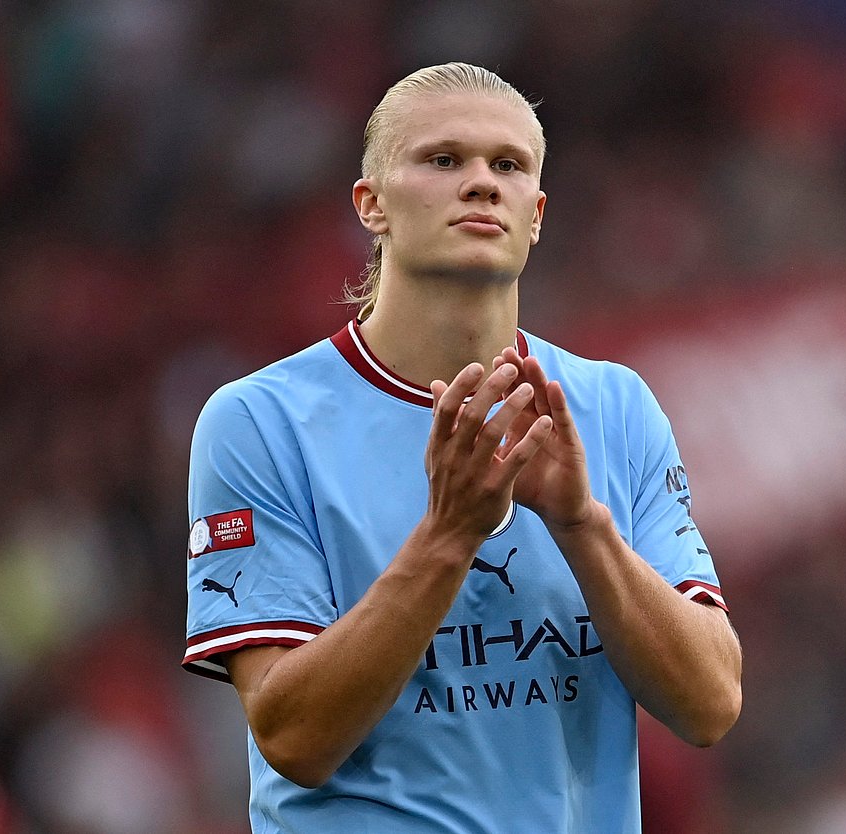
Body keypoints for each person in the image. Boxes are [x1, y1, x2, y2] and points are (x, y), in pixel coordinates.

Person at [182, 62, 742, 833]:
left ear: (537, 213)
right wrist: (449, 533)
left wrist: (582, 525)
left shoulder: (615, 408)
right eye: (444, 160)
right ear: (371, 204)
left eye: (507, 165)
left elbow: (710, 704)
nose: (481, 183)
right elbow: (293, 738)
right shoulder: (260, 422)